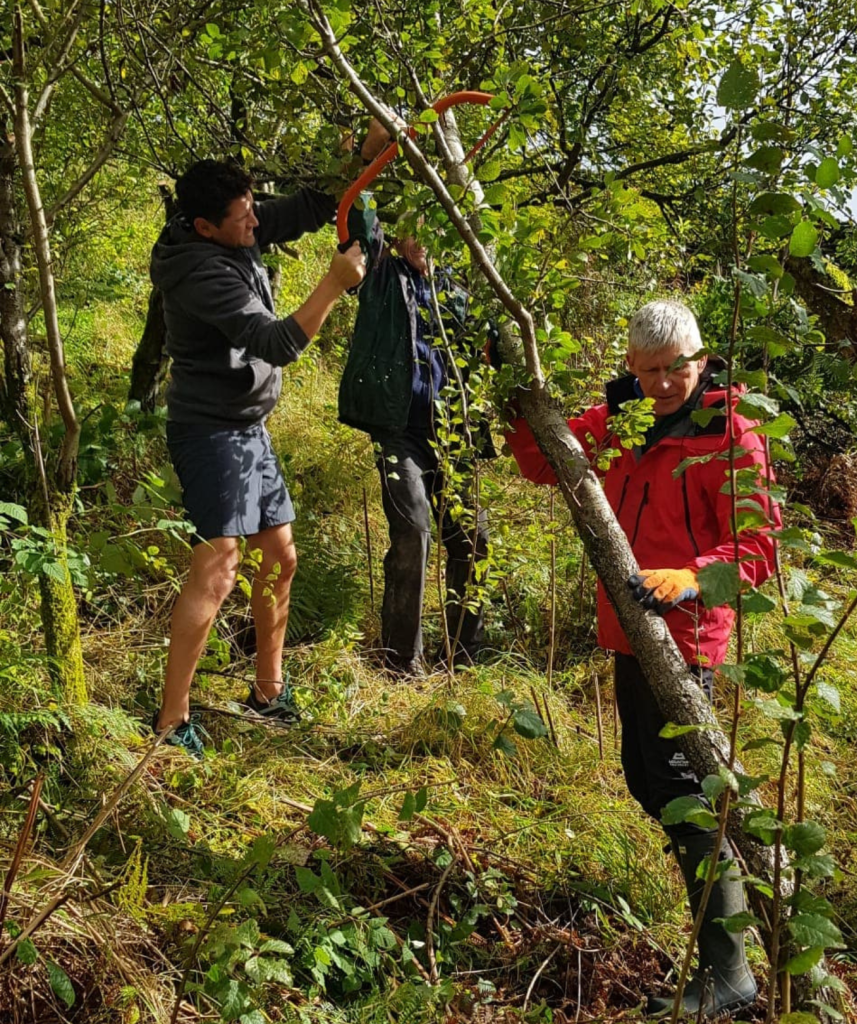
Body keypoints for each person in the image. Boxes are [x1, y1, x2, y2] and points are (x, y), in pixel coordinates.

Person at [504, 299, 777, 1018]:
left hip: (687, 637)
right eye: (650, 370)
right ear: (630, 365)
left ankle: (729, 973)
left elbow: (758, 548)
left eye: (676, 368)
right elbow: (542, 464)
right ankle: (722, 937)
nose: (663, 383)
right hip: (628, 631)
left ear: (702, 358)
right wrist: (518, 404)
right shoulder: (617, 420)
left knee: (686, 794)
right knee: (650, 781)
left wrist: (692, 578)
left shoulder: (728, 435)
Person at [150, 142, 383, 757]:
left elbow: (308, 206)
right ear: (205, 227)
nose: (256, 223)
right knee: (220, 564)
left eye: (254, 210)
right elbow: (276, 343)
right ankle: (172, 722)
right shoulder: (199, 271)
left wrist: (361, 157)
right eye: (243, 219)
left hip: (247, 428)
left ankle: (267, 692)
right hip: (209, 429)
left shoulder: (235, 225)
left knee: (279, 556)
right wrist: (332, 285)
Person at [337, 143, 493, 678]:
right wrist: (376, 151)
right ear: (398, 234)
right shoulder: (381, 270)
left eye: (432, 230)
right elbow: (361, 212)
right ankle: (401, 663)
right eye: (413, 230)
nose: (422, 241)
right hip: (399, 431)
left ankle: (463, 659)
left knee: (474, 539)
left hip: (452, 436)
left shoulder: (455, 288)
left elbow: (489, 344)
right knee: (414, 530)